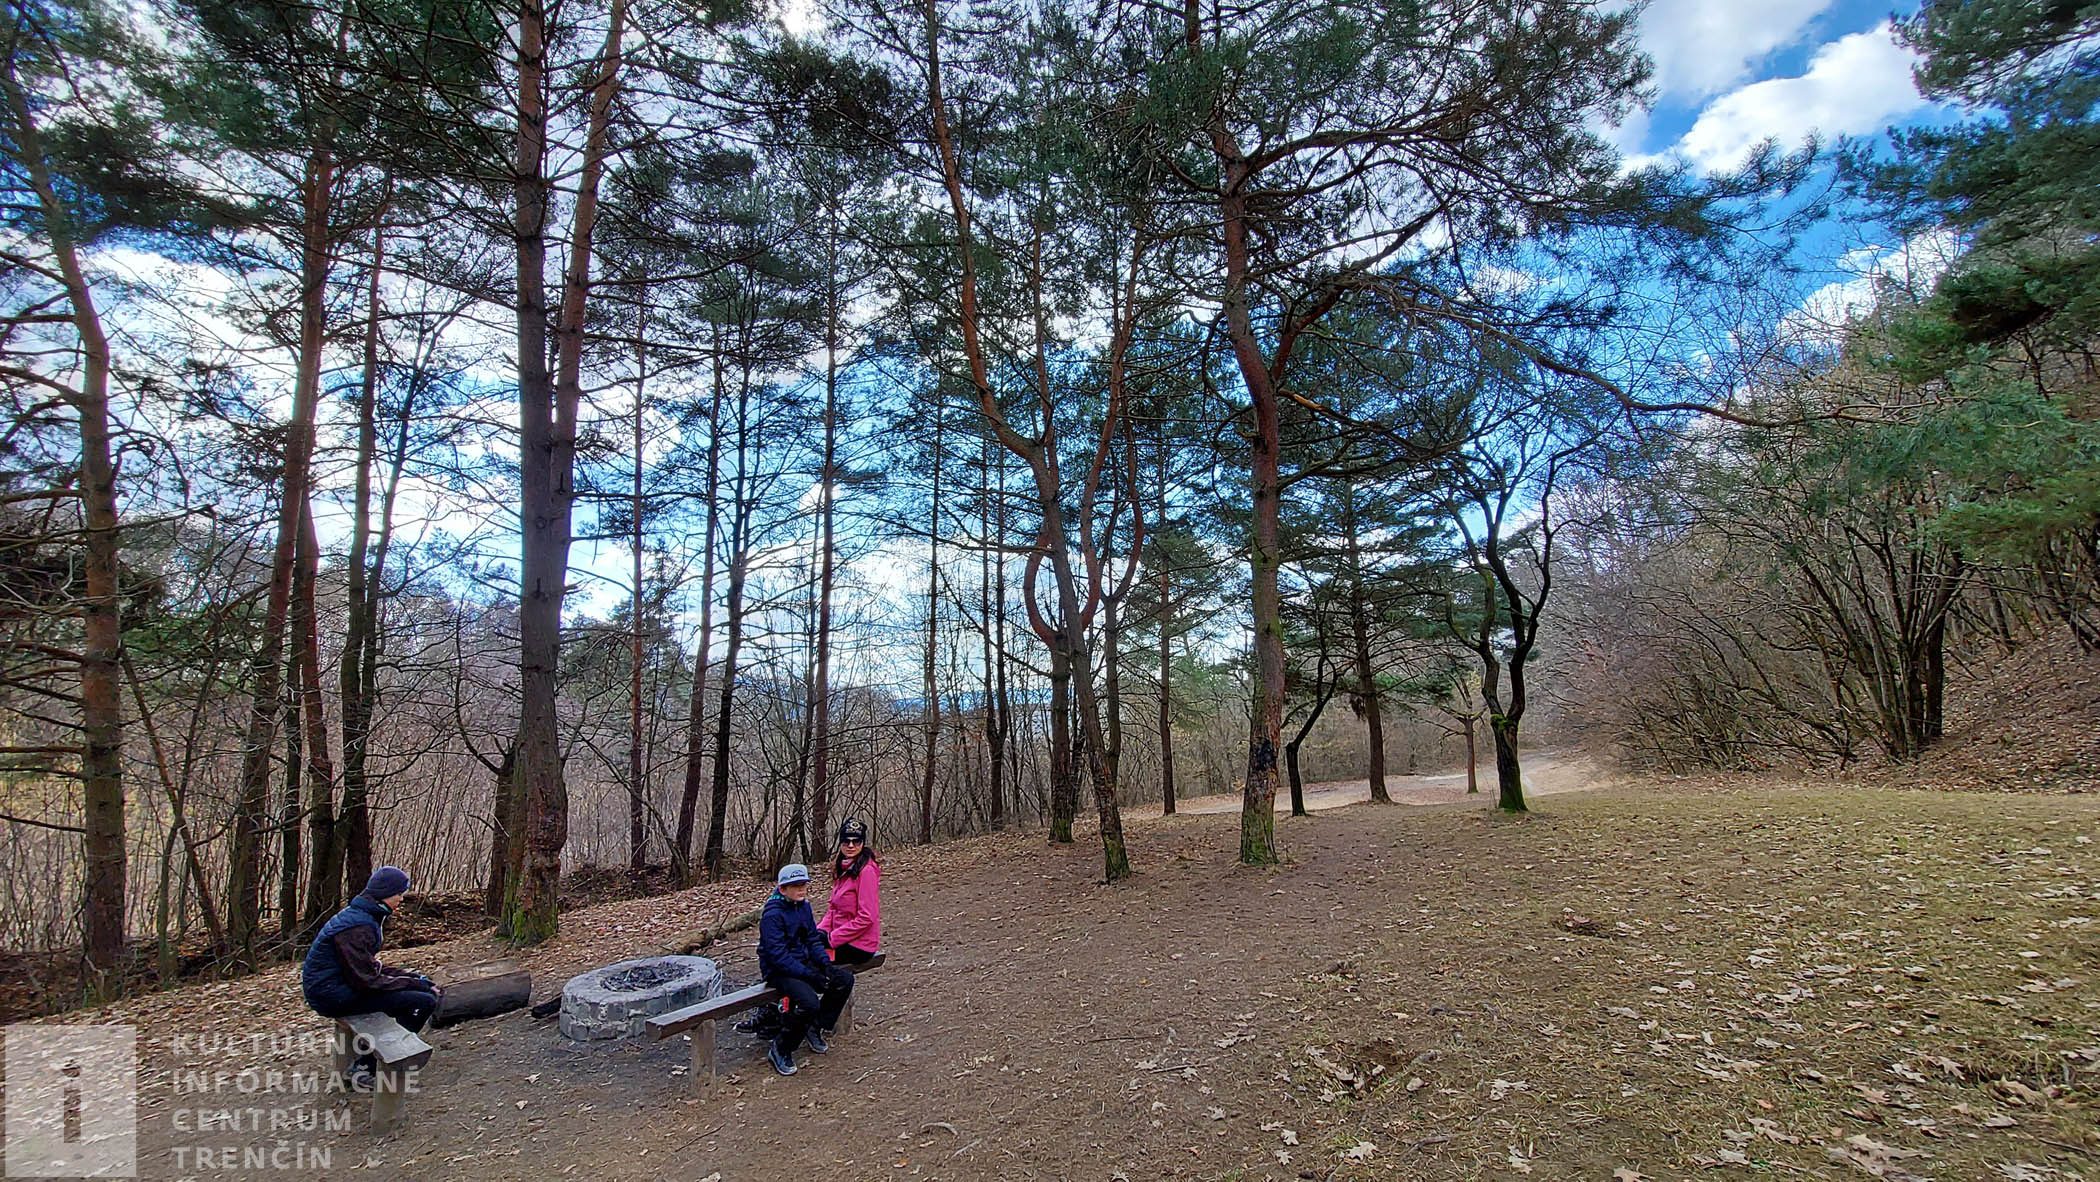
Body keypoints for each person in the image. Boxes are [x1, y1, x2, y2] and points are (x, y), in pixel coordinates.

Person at [302, 866, 440, 1086]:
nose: (401, 899)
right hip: (331, 995)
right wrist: (416, 985)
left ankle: (368, 1057)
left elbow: (369, 968)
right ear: (384, 893)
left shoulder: (362, 916)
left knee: (417, 996)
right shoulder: (358, 926)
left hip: (340, 988)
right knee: (423, 1002)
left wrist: (416, 979)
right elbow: (367, 981)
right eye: (398, 894)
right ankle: (366, 1068)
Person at [757, 863, 853, 1076]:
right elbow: (778, 957)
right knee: (809, 1002)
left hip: (802, 962)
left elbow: (812, 939)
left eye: (804, 884)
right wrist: (809, 975)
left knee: (843, 980)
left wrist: (824, 965)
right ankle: (781, 1047)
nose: (802, 889)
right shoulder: (772, 915)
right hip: (778, 971)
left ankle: (814, 1026)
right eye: (796, 885)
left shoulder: (803, 907)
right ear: (783, 889)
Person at [817, 818, 881, 966]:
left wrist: (831, 939)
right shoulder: (843, 868)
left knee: (809, 959)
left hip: (859, 946)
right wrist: (821, 931)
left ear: (862, 843)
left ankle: (837, 981)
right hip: (839, 939)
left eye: (856, 841)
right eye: (846, 841)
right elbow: (833, 908)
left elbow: (866, 918)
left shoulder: (866, 871)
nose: (851, 846)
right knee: (798, 951)